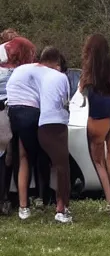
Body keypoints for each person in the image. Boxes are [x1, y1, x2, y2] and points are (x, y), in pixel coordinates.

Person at [6, 46, 59, 219]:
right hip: (31, 112)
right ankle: (42, 198)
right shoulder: (46, 73)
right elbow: (49, 99)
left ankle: (23, 207)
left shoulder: (24, 68)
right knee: (38, 156)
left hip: (13, 111)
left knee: (22, 157)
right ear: (53, 62)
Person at [80, 34, 110, 219]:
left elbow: (81, 91)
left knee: (98, 160)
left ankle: (109, 202)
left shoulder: (89, 69)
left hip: (99, 110)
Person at [35, 48, 72, 223]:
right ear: (57, 63)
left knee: (56, 165)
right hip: (57, 124)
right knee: (62, 168)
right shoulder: (62, 77)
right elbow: (64, 101)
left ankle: (59, 203)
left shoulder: (41, 78)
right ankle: (60, 209)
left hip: (42, 125)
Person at [0, 32, 36, 214]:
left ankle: (7, 197)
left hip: (6, 114)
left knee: (6, 158)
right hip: (9, 115)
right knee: (15, 158)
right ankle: (13, 198)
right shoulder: (20, 70)